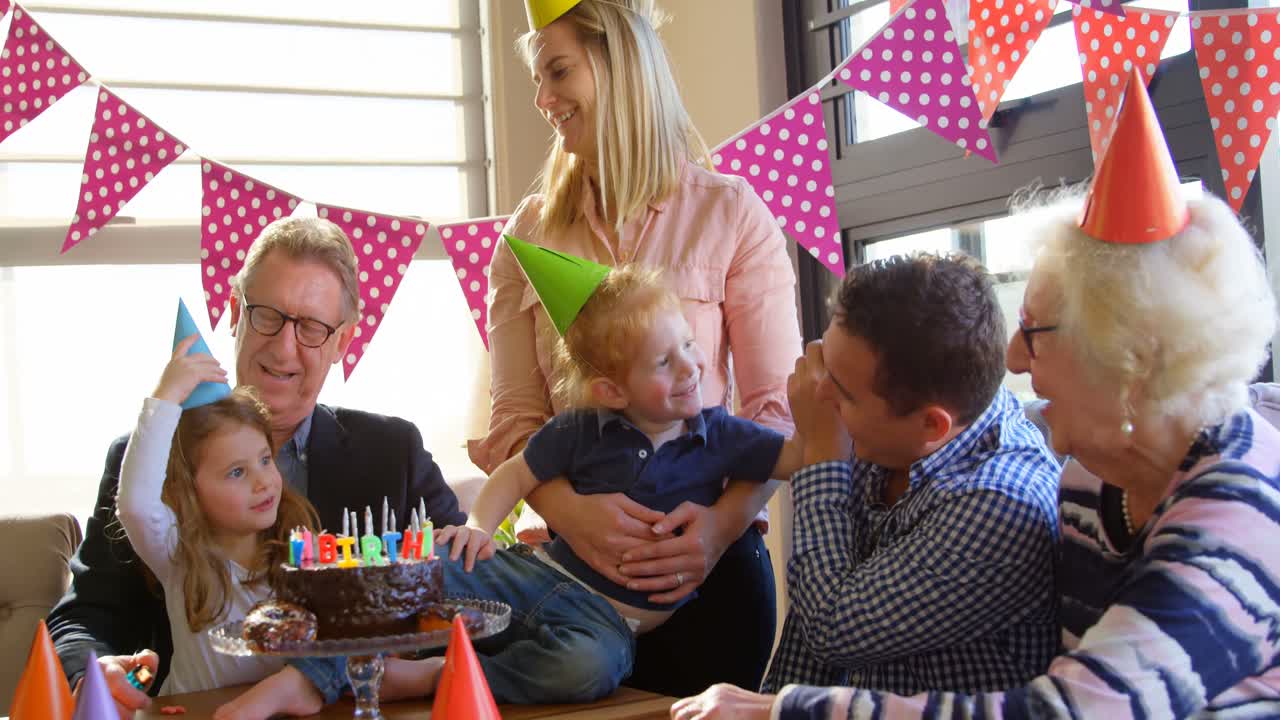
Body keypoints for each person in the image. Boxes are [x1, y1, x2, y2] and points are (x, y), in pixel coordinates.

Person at [671, 72, 1280, 719]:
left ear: (1124, 362)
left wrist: (785, 710)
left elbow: (1064, 714)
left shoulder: (1236, 517)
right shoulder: (1091, 475)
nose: (1013, 359)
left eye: (1034, 333)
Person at [283, 248, 807, 708]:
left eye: (689, 345)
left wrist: (823, 412)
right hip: (535, 575)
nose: (690, 367)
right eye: (665, 361)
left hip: (605, 624)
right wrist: (478, 527)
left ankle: (436, 674)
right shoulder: (580, 430)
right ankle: (306, 674)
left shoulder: (720, 435)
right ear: (612, 391)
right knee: (429, 563)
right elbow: (515, 474)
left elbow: (791, 457)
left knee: (584, 670)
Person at [472, 0, 803, 695]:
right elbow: (515, 420)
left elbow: (777, 411)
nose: (543, 100)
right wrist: (570, 513)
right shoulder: (524, 238)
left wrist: (717, 529)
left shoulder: (731, 213)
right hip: (571, 591)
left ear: (618, 62)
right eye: (537, 79)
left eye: (558, 72)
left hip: (710, 585)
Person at [47, 216, 466, 719]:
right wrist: (91, 673)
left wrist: (478, 539)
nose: (285, 347)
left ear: (342, 342)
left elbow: (465, 594)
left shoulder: (392, 453)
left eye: (312, 328)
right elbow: (85, 615)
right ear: (234, 311)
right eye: (267, 316)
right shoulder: (148, 461)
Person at [758, 252, 1060, 698]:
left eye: (841, 392)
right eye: (825, 363)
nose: (816, 394)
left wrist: (821, 456)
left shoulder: (1003, 503)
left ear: (930, 425)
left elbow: (832, 628)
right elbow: (805, 649)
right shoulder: (885, 434)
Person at [115, 328, 320, 700]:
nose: (263, 482)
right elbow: (136, 505)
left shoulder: (302, 554)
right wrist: (166, 396)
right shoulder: (178, 555)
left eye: (265, 460)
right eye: (237, 472)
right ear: (188, 491)